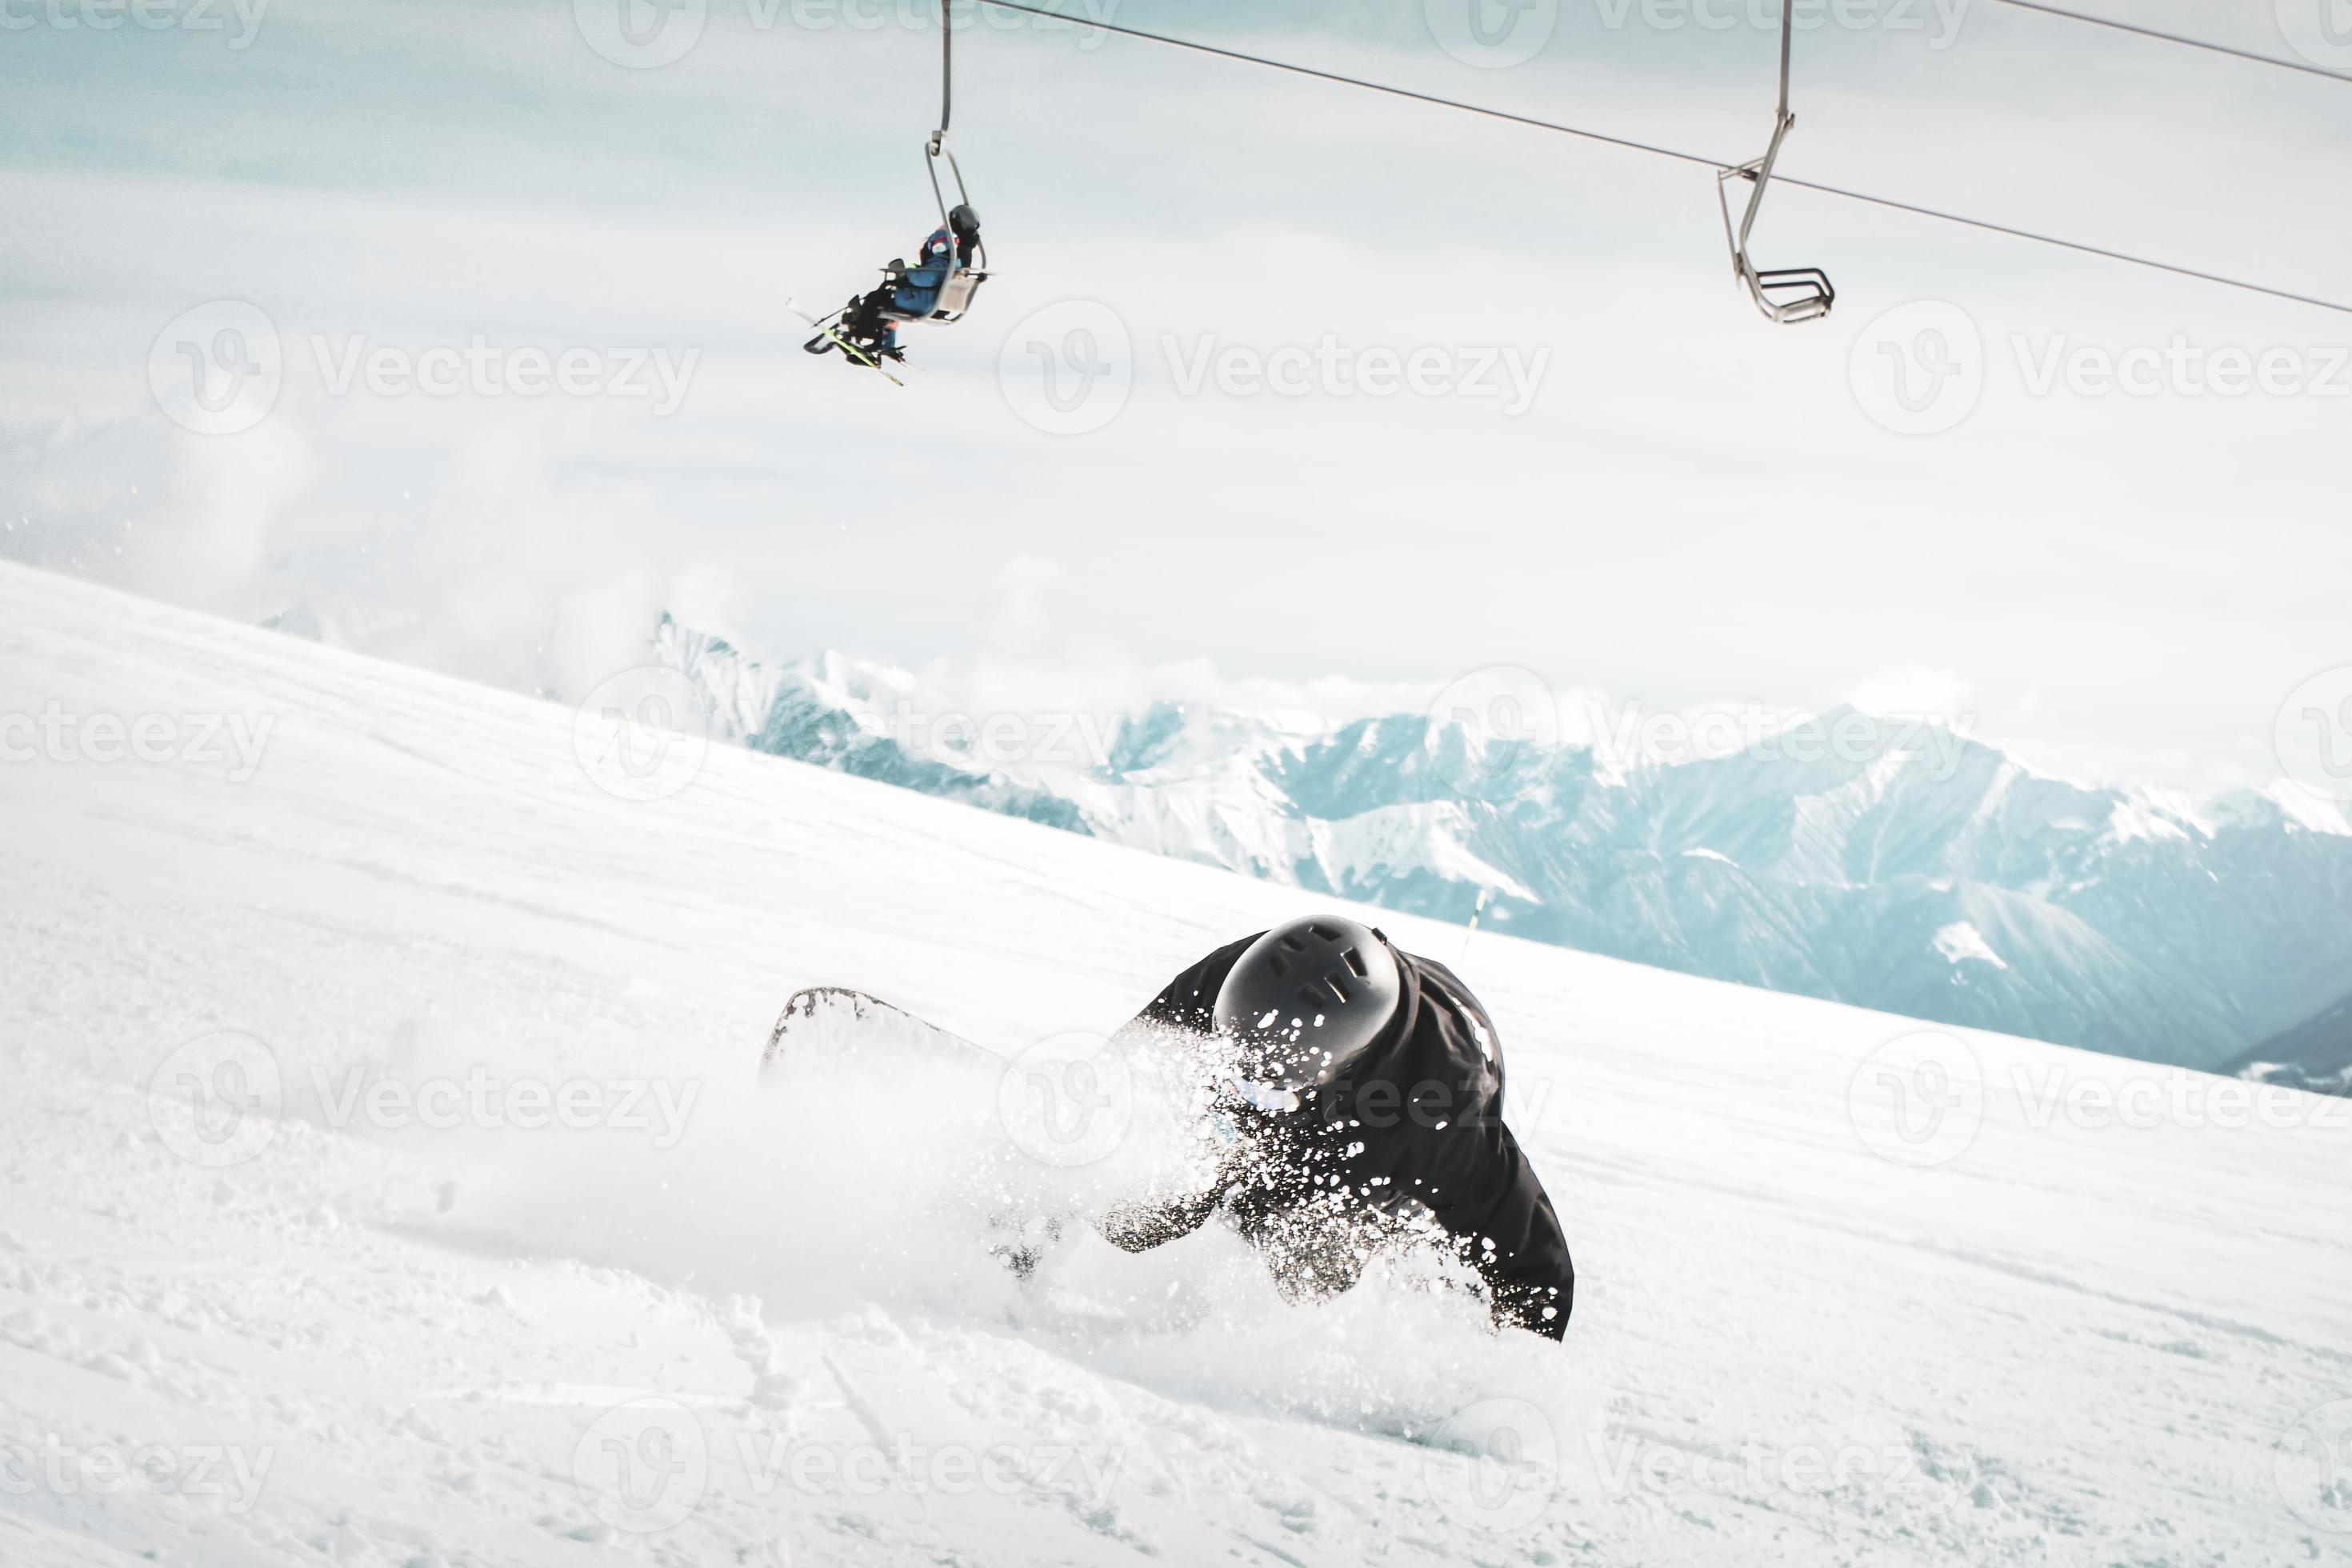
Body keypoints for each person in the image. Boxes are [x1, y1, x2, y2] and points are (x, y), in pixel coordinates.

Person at [1097, 914, 1574, 1340]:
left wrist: (1514, 1372)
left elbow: (1531, 1258)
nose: (1240, 1085)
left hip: (1373, 1137)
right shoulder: (1237, 980)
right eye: (1231, 1057)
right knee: (1141, 1204)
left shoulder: (1437, 1117)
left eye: (1262, 1084)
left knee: (1305, 1269)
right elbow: (1116, 1086)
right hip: (1308, 1082)